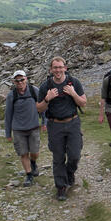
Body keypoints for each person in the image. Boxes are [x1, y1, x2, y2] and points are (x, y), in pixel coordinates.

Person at [37, 57, 87, 201]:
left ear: (65, 68)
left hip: (73, 122)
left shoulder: (74, 83)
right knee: (58, 157)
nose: (58, 70)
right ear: (51, 70)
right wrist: (47, 99)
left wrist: (73, 93)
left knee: (75, 155)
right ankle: (61, 187)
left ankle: (69, 173)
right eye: (55, 68)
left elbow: (83, 103)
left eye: (60, 67)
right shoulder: (45, 86)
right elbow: (38, 108)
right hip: (54, 125)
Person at [4, 70, 42, 187]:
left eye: (22, 79)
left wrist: (44, 122)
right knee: (23, 153)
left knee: (34, 152)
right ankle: (29, 175)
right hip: (18, 130)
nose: (20, 82)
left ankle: (33, 162)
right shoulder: (11, 95)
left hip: (34, 127)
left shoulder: (34, 90)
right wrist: (8, 134)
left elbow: (43, 107)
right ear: (14, 82)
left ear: (26, 79)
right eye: (17, 80)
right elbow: (8, 115)